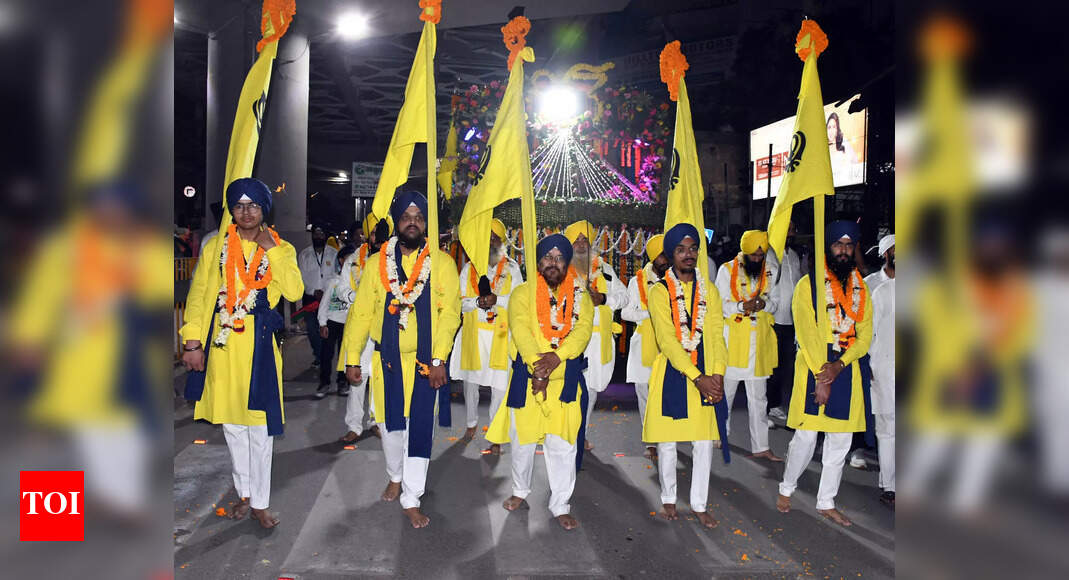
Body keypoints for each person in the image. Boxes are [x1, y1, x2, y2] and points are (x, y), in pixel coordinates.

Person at [180, 178, 304, 529]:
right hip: (222, 347)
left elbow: (295, 290)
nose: (246, 212)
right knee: (233, 428)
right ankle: (245, 494)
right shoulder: (216, 247)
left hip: (260, 347)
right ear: (231, 211)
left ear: (265, 209)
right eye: (239, 206)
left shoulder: (281, 247)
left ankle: (261, 503)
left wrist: (273, 251)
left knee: (260, 430)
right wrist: (192, 342)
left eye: (253, 205)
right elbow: (201, 296)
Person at [341, 192, 461, 529]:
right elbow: (362, 313)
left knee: (419, 428)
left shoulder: (442, 264)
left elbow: (450, 314)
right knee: (390, 427)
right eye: (406, 216)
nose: (413, 222)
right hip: (387, 362)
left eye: (419, 217)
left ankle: (412, 496)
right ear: (397, 221)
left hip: (425, 364)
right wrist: (352, 358)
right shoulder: (376, 262)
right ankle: (395, 475)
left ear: (426, 223)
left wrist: (439, 359)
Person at [486, 234, 594, 531]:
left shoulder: (581, 294)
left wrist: (555, 360)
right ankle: (520, 490)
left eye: (560, 258)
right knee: (522, 441)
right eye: (547, 257)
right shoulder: (523, 292)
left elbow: (582, 331)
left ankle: (561, 503)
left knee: (563, 444)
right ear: (538, 261)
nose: (553, 263)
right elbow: (521, 329)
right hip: (528, 376)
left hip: (564, 378)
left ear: (567, 262)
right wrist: (539, 366)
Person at [777, 220, 874, 527]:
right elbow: (806, 335)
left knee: (840, 441)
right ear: (828, 248)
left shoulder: (861, 286)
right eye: (838, 245)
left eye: (849, 245)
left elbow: (865, 335)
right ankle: (787, 487)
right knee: (805, 438)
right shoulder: (809, 286)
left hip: (846, 367)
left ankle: (826, 501)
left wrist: (840, 365)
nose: (844, 251)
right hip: (813, 367)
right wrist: (823, 375)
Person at [643, 223, 730, 528]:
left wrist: (717, 376)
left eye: (693, 248)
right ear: (670, 254)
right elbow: (667, 341)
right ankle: (669, 498)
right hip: (673, 372)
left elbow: (718, 334)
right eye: (681, 249)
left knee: (703, 442)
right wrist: (698, 377)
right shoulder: (659, 291)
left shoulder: (710, 290)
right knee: (667, 442)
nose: (688, 254)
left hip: (707, 370)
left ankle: (699, 504)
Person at [451, 218, 523, 452]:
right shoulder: (469, 268)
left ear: (502, 242)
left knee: (499, 387)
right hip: (474, 335)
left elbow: (519, 300)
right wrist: (479, 301)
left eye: (496, 238)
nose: (491, 242)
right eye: (488, 237)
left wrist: (497, 300)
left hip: (501, 336)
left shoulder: (512, 268)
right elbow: (459, 303)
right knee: (470, 384)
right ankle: (471, 424)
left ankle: (495, 433)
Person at [714, 230, 782, 461]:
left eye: (760, 255)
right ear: (744, 252)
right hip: (733, 341)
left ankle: (761, 446)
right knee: (726, 393)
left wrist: (764, 304)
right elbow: (720, 305)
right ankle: (719, 435)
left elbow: (776, 303)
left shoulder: (769, 271)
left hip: (759, 343)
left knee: (759, 398)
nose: (757, 259)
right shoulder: (726, 270)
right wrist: (741, 306)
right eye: (753, 255)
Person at [564, 220, 628, 451]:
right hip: (570, 341)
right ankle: (566, 434)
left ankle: (582, 435)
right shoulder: (560, 270)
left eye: (585, 240)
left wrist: (604, 299)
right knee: (569, 389)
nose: (581, 244)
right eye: (576, 240)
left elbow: (625, 297)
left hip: (597, 342)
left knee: (590, 392)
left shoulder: (606, 271)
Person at [337, 214, 391, 444]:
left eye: (381, 234)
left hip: (383, 326)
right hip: (359, 324)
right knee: (357, 378)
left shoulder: (393, 259)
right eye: (372, 233)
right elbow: (340, 288)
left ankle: (377, 422)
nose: (377, 238)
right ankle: (354, 426)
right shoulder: (353, 259)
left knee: (379, 377)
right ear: (366, 235)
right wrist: (357, 298)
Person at [621, 233, 670, 461]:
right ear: (652, 257)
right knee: (645, 394)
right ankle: (650, 441)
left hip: (669, 343)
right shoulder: (637, 281)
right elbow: (626, 313)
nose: (665, 259)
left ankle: (665, 437)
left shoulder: (676, 278)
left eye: (667, 254)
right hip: (643, 344)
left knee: (665, 394)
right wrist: (651, 312)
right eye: (661, 256)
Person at [866, 234, 895, 507]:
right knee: (886, 430)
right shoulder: (878, 290)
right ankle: (890, 486)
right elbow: (868, 334)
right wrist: (870, 365)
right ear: (886, 254)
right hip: (884, 369)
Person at [766, 221, 803, 421]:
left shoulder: (795, 256)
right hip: (774, 318)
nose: (791, 233)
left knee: (786, 366)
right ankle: (766, 407)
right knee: (771, 366)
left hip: (791, 320)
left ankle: (775, 404)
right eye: (787, 229)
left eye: (792, 230)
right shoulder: (770, 255)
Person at [316, 245, 356, 398]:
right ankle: (324, 382)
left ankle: (342, 382)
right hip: (332, 322)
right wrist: (323, 323)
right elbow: (324, 303)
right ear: (340, 261)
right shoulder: (334, 282)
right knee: (327, 354)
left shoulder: (357, 282)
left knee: (344, 355)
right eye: (348, 259)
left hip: (349, 324)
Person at [298, 225, 338, 365]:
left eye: (321, 233)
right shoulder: (304, 254)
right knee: (312, 329)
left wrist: (326, 291)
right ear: (312, 235)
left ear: (325, 236)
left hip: (328, 298)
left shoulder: (333, 253)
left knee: (326, 328)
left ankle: (323, 357)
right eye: (316, 233)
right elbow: (301, 277)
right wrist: (313, 290)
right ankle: (319, 355)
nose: (318, 236)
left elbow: (336, 275)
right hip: (311, 298)